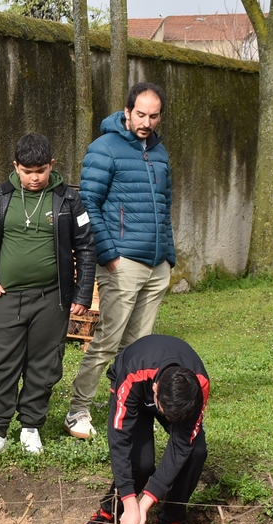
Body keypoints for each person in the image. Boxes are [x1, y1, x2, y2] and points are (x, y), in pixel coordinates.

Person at [0, 133, 95, 468]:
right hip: (7, 297)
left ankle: (30, 427)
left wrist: (82, 293)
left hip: (51, 298)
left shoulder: (69, 200)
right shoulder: (0, 197)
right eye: (27, 171)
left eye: (40, 170)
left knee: (44, 363)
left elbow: (86, 247)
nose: (34, 177)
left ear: (51, 165)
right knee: (1, 363)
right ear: (16, 167)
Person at [65, 82, 174, 441]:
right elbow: (88, 205)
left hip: (156, 265)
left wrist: (169, 256)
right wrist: (110, 254)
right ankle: (78, 410)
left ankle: (127, 405)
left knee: (140, 345)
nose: (146, 122)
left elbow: (165, 206)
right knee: (107, 341)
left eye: (153, 116)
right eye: (140, 114)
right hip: (122, 262)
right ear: (127, 112)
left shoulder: (160, 152)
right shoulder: (104, 148)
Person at [80, 334, 208, 524]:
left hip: (174, 399)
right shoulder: (132, 373)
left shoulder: (198, 386)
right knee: (141, 462)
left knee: (196, 451)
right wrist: (130, 503)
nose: (168, 420)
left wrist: (144, 505)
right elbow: (119, 441)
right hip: (135, 389)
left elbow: (181, 446)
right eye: (165, 413)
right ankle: (110, 511)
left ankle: (168, 522)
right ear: (155, 389)